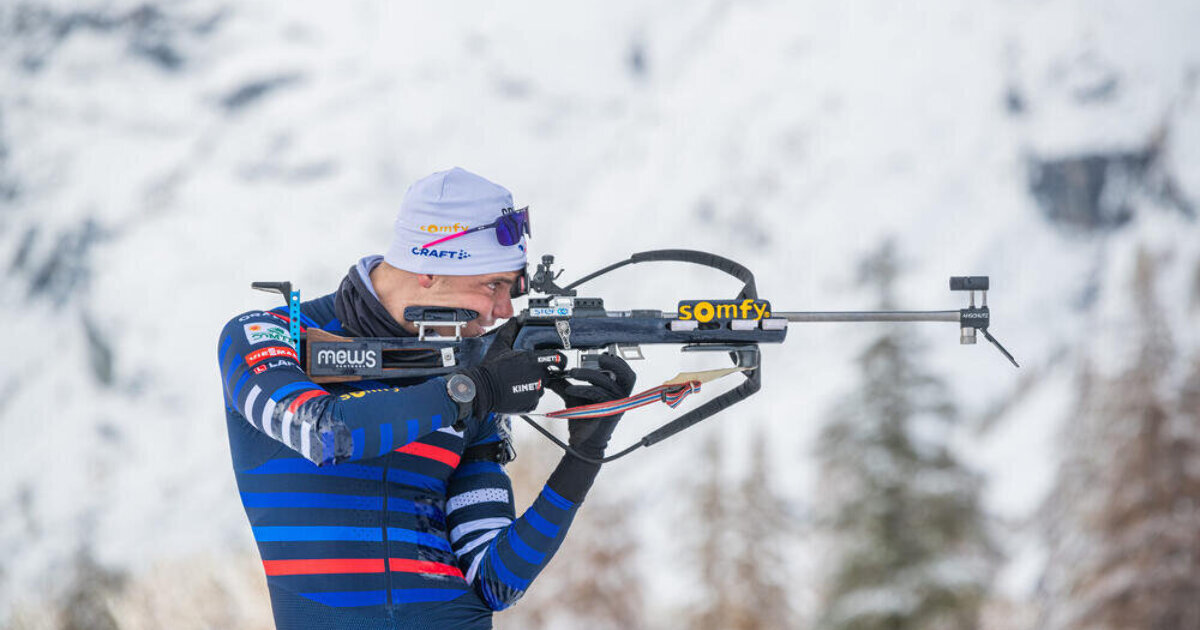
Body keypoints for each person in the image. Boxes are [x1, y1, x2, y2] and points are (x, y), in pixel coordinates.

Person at [216, 167, 635, 629]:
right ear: (429, 269)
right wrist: (476, 389)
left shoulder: (467, 377)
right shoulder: (266, 335)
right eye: (492, 285)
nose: (503, 311)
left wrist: (584, 455)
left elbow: (495, 582)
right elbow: (325, 433)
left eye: (511, 290)